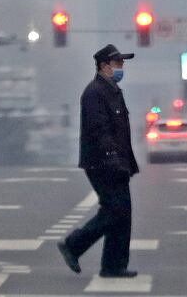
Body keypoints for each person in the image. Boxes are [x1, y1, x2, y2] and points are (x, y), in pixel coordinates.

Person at [57, 44, 140, 278]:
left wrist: (125, 162)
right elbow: (99, 130)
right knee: (115, 210)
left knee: (122, 213)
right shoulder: (94, 93)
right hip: (102, 163)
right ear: (104, 66)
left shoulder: (112, 91)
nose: (121, 67)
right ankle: (74, 244)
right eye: (118, 64)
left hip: (117, 163)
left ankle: (114, 265)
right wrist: (112, 157)